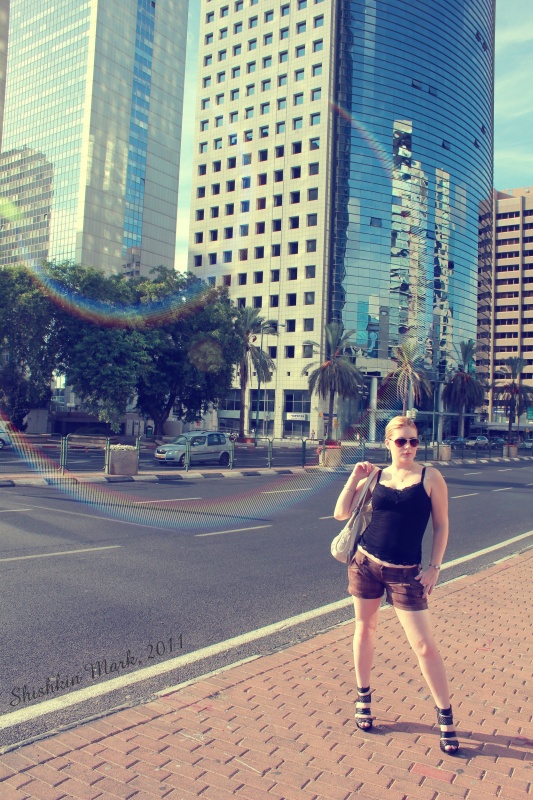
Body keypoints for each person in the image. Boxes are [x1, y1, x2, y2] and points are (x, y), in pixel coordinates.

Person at [333, 415, 459, 754]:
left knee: (424, 646)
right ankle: (363, 698)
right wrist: (354, 478)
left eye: (413, 441)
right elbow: (341, 513)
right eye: (401, 441)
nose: (408, 447)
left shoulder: (430, 477)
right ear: (388, 443)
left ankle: (445, 716)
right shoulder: (375, 476)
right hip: (366, 564)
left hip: (407, 574)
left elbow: (442, 525)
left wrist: (435, 567)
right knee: (365, 630)